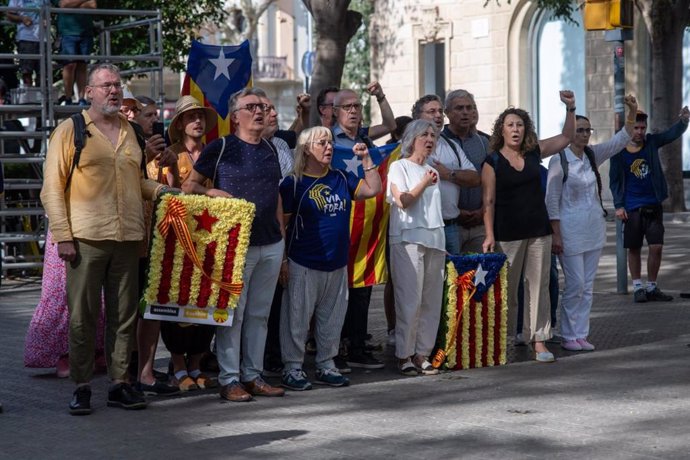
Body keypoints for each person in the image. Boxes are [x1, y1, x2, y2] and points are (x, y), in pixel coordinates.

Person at [40, 63, 168, 415]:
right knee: (83, 316)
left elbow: (138, 181)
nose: (114, 90)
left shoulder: (132, 133)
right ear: (89, 92)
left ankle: (119, 384)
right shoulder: (71, 130)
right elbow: (51, 188)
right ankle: (82, 387)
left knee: (123, 315)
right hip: (85, 239)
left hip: (128, 238)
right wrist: (63, 237)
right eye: (106, 85)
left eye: (117, 84)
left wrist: (163, 192)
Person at [183, 87, 286, 402]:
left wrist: (282, 244)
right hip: (235, 245)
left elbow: (276, 195)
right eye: (251, 106)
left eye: (261, 106)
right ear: (236, 115)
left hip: (271, 243)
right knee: (233, 315)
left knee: (259, 314)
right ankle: (229, 379)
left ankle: (253, 376)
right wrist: (213, 193)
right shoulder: (221, 147)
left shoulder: (270, 149)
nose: (259, 111)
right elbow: (189, 186)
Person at [279, 127, 381, 390]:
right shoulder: (293, 183)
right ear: (306, 149)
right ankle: (293, 368)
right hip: (304, 261)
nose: (329, 147)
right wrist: (283, 261)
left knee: (332, 319)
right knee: (297, 319)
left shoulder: (340, 177)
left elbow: (372, 190)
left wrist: (367, 161)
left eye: (330, 143)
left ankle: (326, 365)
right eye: (322, 143)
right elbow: (283, 227)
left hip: (337, 263)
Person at [482, 90, 576, 363]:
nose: (515, 129)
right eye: (510, 124)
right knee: (507, 291)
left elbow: (566, 138)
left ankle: (539, 341)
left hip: (538, 231)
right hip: (506, 234)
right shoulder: (492, 161)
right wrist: (489, 234)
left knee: (539, 288)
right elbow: (487, 200)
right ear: (502, 129)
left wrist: (570, 109)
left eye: (520, 124)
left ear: (526, 130)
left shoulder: (534, 152)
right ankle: (503, 341)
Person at [546, 95, 638, 352]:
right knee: (575, 285)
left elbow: (620, 141)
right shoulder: (559, 160)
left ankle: (581, 334)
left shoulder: (590, 155)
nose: (585, 134)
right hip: (570, 232)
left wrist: (631, 113)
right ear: (569, 132)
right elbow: (551, 200)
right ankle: (567, 334)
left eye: (588, 130)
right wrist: (556, 234)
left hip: (593, 230)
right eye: (579, 130)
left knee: (587, 287)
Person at [150, 95, 219, 392]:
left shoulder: (213, 152)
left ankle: (197, 363)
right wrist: (176, 174)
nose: (198, 121)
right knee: (176, 301)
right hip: (176, 240)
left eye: (201, 116)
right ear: (179, 124)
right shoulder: (169, 154)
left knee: (207, 298)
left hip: (209, 239)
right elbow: (165, 195)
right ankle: (178, 365)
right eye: (191, 117)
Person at [331, 87, 393, 370]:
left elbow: (392, 127)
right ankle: (335, 348)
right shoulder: (327, 139)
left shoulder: (367, 138)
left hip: (366, 224)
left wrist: (380, 97)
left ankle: (357, 345)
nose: (354, 111)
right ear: (334, 111)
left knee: (362, 290)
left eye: (357, 106)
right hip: (337, 220)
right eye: (347, 107)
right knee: (337, 290)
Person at [609, 106, 690, 303]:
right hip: (632, 208)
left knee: (656, 247)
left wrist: (684, 122)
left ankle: (652, 286)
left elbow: (670, 135)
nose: (639, 132)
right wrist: (619, 205)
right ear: (629, 129)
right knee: (634, 248)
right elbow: (614, 181)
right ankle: (638, 287)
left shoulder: (651, 142)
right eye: (636, 128)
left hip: (653, 205)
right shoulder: (618, 151)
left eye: (642, 128)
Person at [386, 119, 445, 376]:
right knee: (410, 300)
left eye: (433, 135)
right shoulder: (399, 166)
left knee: (431, 301)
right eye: (424, 134)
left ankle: (423, 353)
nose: (430, 139)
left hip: (435, 238)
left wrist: (429, 177)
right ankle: (404, 355)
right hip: (407, 239)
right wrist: (424, 182)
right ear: (412, 138)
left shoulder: (434, 171)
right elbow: (404, 201)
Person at [412, 94, 480, 254]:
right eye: (431, 111)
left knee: (454, 278)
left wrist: (449, 174)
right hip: (423, 227)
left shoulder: (452, 145)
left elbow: (475, 178)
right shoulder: (407, 147)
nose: (437, 116)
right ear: (418, 117)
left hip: (451, 227)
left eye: (440, 111)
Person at [442, 89, 491, 254]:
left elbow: (490, 180)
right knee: (452, 277)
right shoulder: (438, 143)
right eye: (459, 108)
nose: (465, 113)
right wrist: (457, 212)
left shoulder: (483, 142)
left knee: (479, 276)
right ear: (447, 112)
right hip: (451, 224)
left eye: (469, 108)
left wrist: (483, 208)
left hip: (479, 223)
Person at [52, 0, 96, 105]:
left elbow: (93, 5)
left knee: (82, 65)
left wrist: (71, 5)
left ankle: (82, 98)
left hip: (86, 32)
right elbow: (63, 5)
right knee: (69, 65)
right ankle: (68, 98)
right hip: (67, 32)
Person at [6, 0, 48, 87]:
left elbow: (48, 10)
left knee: (43, 72)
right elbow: (9, 15)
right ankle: (28, 97)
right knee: (26, 71)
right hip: (25, 38)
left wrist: (46, 19)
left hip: (43, 39)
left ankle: (42, 98)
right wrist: (22, 19)